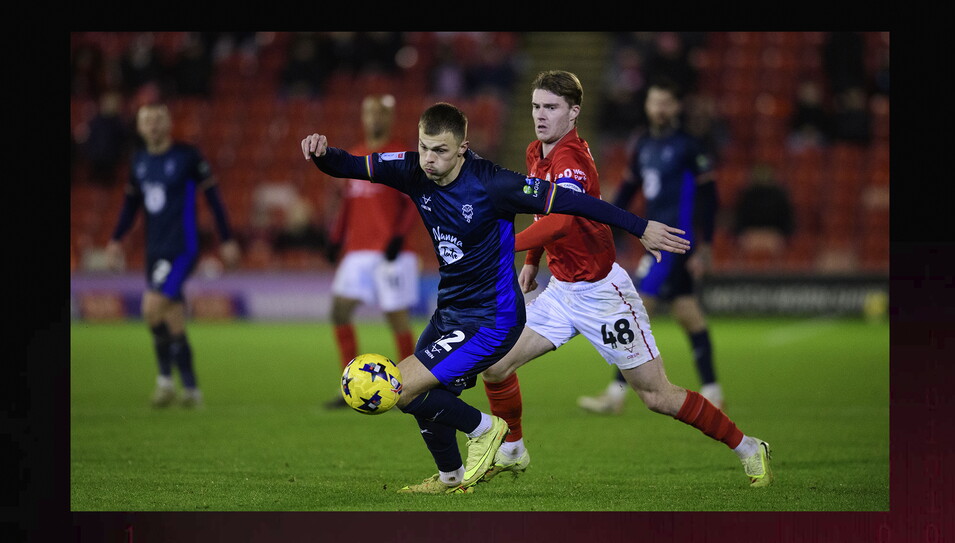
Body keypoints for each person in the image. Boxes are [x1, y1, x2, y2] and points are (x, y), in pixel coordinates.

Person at [301, 102, 690, 494]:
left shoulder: (494, 184)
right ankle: (451, 478)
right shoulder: (412, 169)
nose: (429, 159)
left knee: (401, 388)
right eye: (424, 148)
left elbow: (575, 202)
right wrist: (321, 154)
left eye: (440, 150)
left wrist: (639, 226)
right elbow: (350, 165)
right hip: (450, 312)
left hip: (492, 319)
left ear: (463, 148)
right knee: (419, 396)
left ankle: (485, 429)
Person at [479, 71, 772, 489]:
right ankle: (512, 450)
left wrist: (504, 245)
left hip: (603, 294)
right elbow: (543, 210)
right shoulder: (535, 152)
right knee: (495, 366)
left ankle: (748, 446)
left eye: (551, 107)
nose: (540, 115)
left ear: (574, 112)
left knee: (656, 396)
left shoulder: (572, 159)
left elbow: (563, 220)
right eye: (536, 106)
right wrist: (531, 261)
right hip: (561, 291)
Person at [578, 76, 725, 414]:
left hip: (676, 242)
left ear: (676, 107)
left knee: (633, 308)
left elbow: (709, 199)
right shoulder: (643, 144)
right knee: (688, 314)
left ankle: (615, 394)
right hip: (658, 241)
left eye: (665, 103)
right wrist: (603, 221)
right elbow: (628, 190)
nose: (659, 109)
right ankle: (713, 391)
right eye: (654, 102)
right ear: (647, 105)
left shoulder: (689, 146)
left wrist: (705, 245)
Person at [106, 103, 241, 408]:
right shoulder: (139, 160)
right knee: (173, 318)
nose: (153, 125)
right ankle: (191, 390)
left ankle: (165, 382)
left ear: (168, 123)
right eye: (147, 121)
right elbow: (130, 205)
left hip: (183, 247)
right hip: (154, 250)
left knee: (150, 308)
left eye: (158, 119)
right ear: (139, 127)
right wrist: (115, 239)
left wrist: (227, 239)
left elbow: (214, 198)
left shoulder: (187, 157)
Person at [322, 94, 421, 409]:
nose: (374, 118)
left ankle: (414, 386)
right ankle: (350, 385)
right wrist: (336, 239)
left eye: (380, 113)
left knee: (396, 317)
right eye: (369, 113)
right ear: (363, 118)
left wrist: (399, 237)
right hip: (358, 251)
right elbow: (347, 204)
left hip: (391, 251)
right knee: (339, 311)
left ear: (389, 118)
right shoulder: (355, 155)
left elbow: (413, 201)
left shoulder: (400, 154)